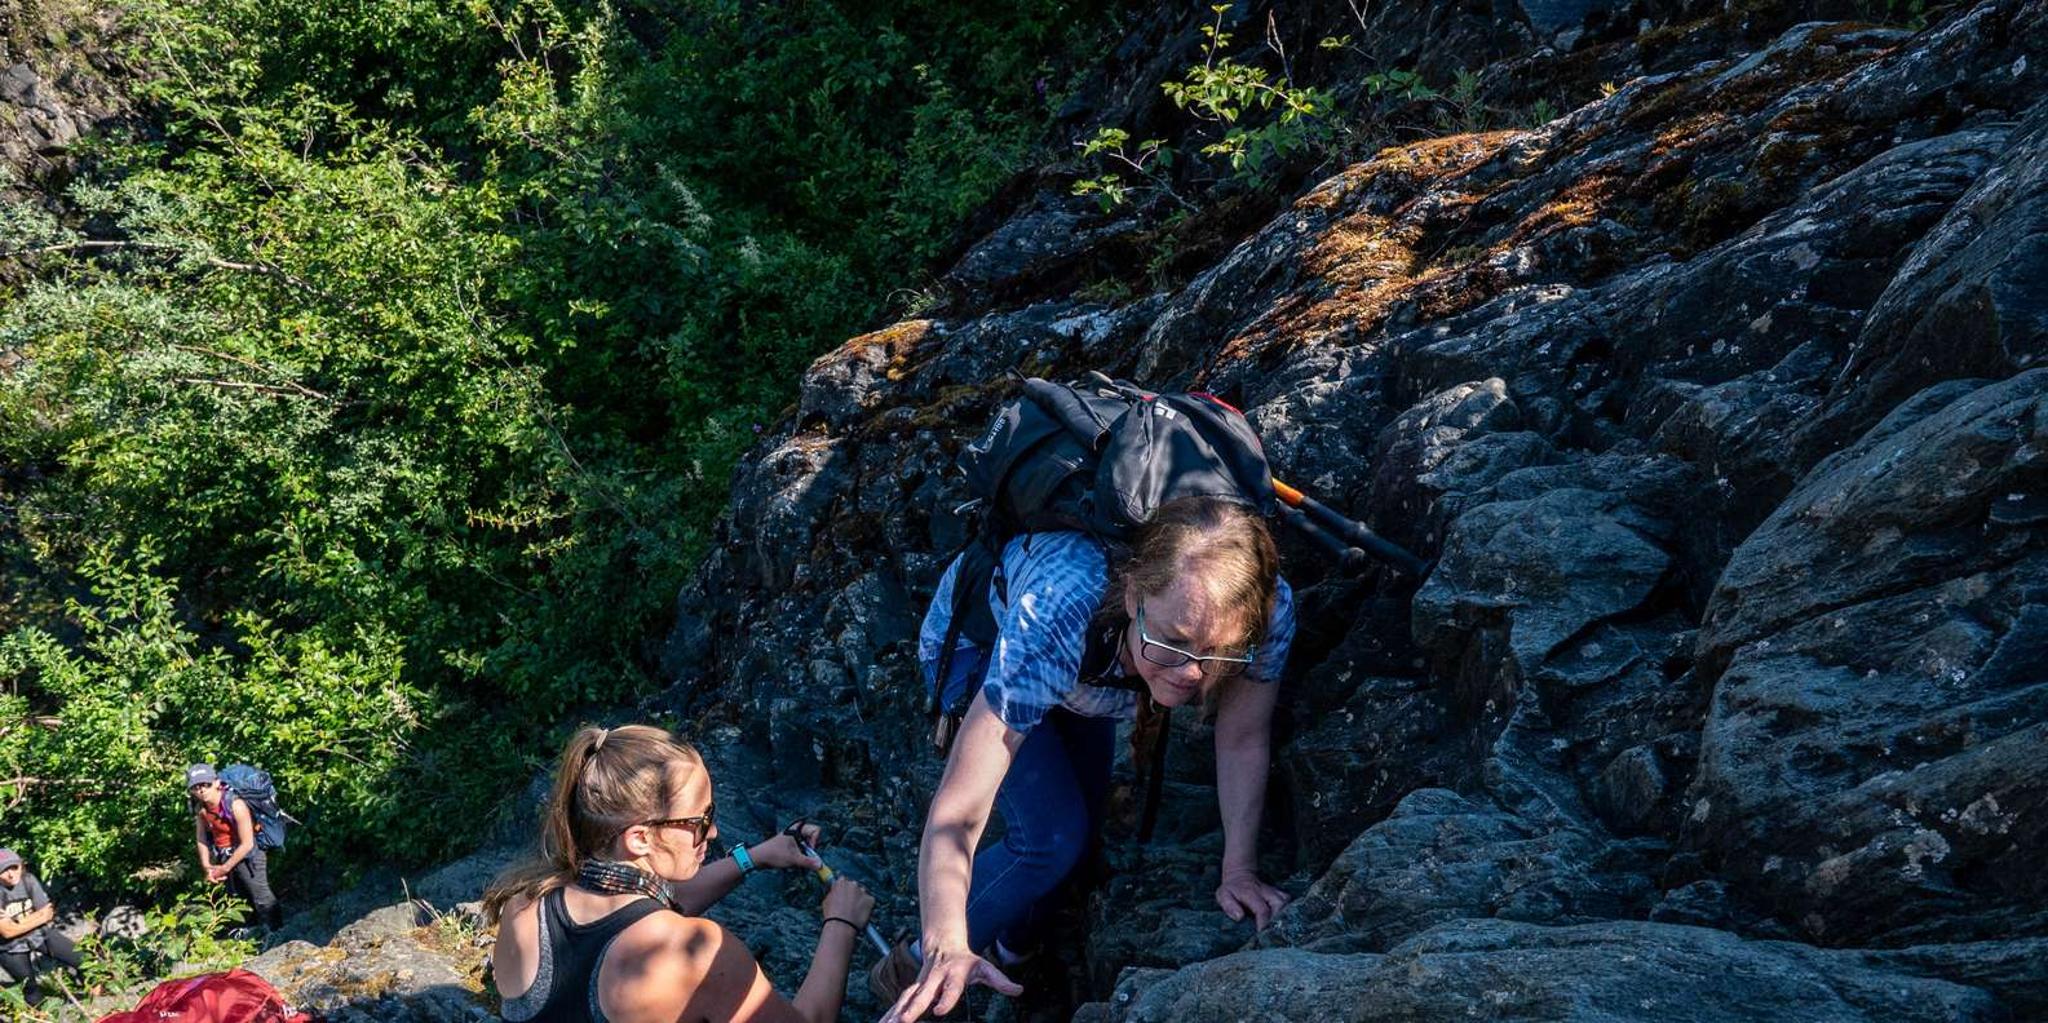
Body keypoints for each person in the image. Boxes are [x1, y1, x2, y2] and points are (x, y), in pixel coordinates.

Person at [876, 495, 1297, 1022]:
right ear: (1132, 591)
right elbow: (960, 810)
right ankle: (915, 967)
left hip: (1097, 674)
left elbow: (1241, 739)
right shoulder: (1060, 610)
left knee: (1082, 832)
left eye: (1218, 655)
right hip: (987, 643)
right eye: (1175, 642)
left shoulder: (1267, 610)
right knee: (1050, 839)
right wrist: (945, 941)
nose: (1191, 676)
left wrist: (1239, 869)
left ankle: (1016, 957)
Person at [484, 724, 875, 1023]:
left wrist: (754, 858)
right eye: (701, 820)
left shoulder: (524, 906)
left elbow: (634, 915)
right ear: (639, 838)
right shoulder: (693, 951)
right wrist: (841, 924)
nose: (715, 831)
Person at [187, 763, 284, 933]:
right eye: (196, 787)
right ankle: (250, 932)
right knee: (238, 898)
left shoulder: (236, 805)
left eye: (205, 785)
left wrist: (224, 868)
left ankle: (279, 933)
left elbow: (247, 843)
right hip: (224, 855)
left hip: (250, 856)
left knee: (261, 896)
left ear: (217, 783)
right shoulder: (201, 810)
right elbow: (201, 838)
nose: (201, 790)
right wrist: (207, 866)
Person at [0, 849, 83, 1005]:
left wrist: (16, 922)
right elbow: (7, 932)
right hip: (9, 948)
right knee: (30, 988)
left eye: (14, 867)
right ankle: (42, 1015)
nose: (11, 874)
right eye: (3, 871)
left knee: (82, 958)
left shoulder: (28, 880)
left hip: (38, 934)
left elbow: (48, 913)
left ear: (21, 865)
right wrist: (37, 918)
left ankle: (97, 998)